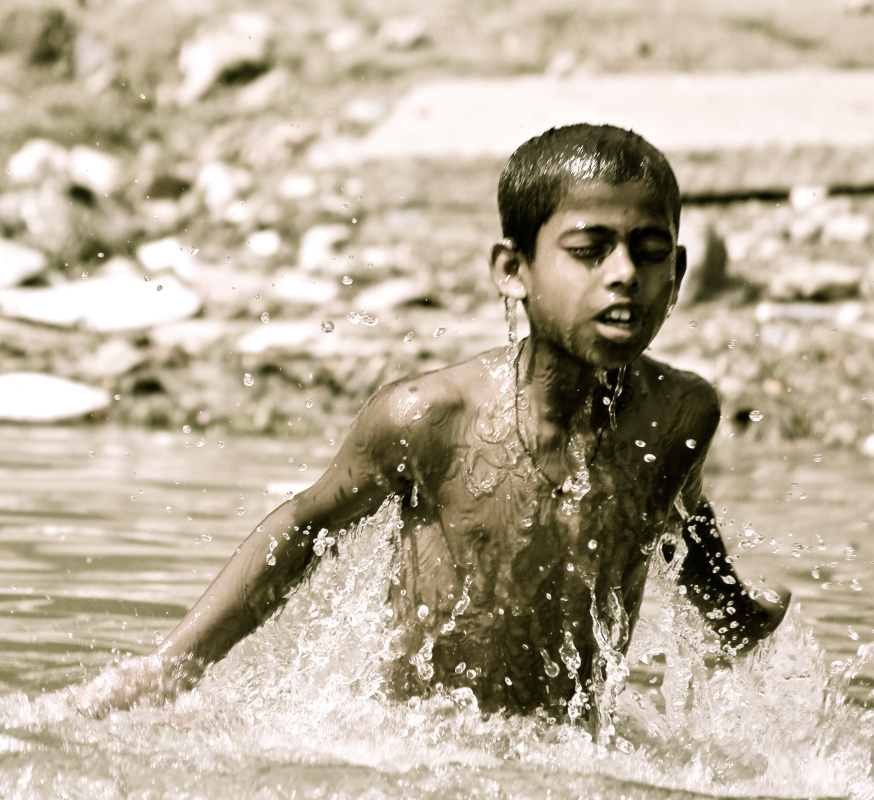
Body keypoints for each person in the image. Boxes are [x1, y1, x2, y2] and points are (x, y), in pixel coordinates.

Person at [66, 123, 789, 722]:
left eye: (650, 253)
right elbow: (303, 527)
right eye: (588, 251)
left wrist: (732, 609)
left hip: (572, 760)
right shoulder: (429, 418)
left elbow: (677, 513)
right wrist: (172, 667)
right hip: (422, 750)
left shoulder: (680, 414)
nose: (624, 273)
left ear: (678, 273)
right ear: (512, 270)